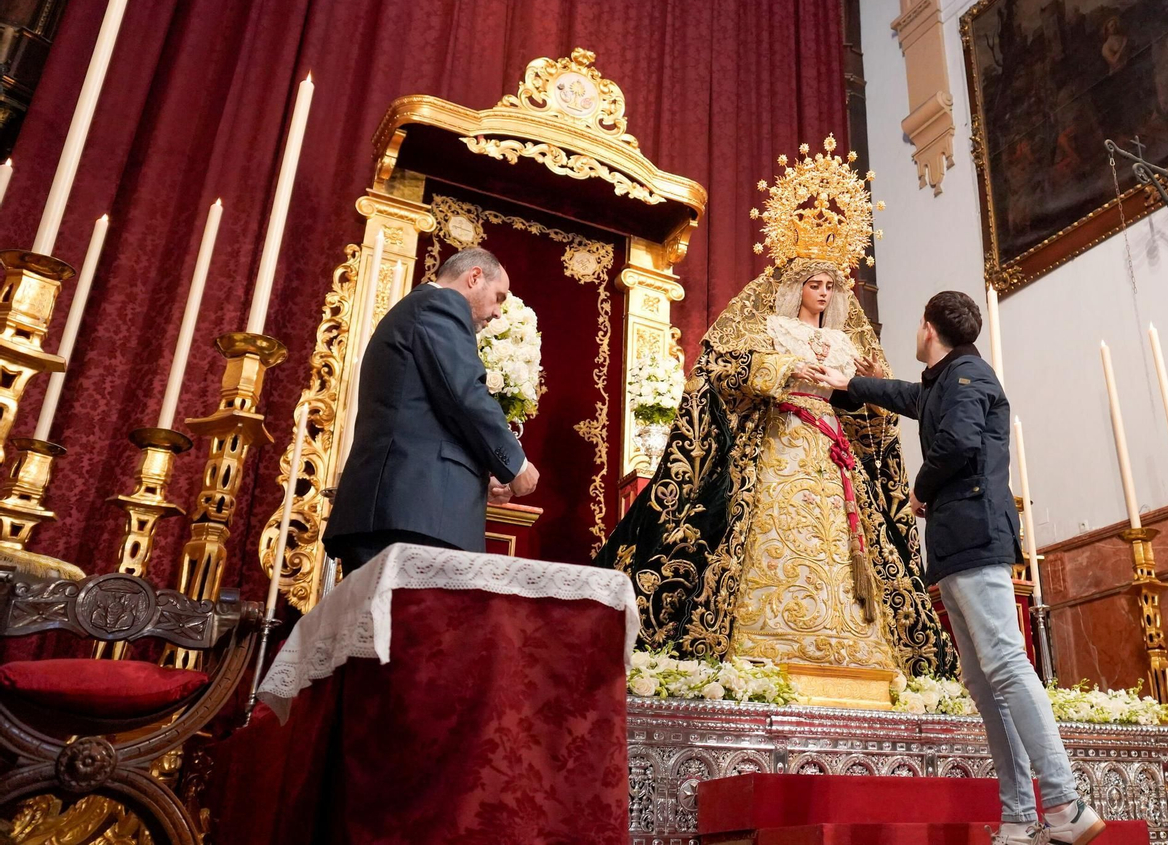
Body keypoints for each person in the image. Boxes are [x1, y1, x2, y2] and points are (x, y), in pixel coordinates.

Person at [803, 291, 1104, 845]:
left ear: (928, 329)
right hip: (958, 541)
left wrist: (919, 489)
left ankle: (1065, 802)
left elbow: (959, 441)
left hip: (975, 534)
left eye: (919, 325)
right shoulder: (948, 380)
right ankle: (1020, 816)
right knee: (984, 682)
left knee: (1007, 666)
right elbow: (911, 397)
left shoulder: (970, 377)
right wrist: (850, 384)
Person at [595, 257, 953, 684]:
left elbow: (871, 418)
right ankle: (761, 644)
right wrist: (783, 367)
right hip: (781, 439)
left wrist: (872, 382)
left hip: (832, 448)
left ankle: (856, 652)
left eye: (830, 286)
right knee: (773, 528)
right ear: (797, 288)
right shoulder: (772, 329)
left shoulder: (844, 342)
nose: (823, 293)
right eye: (815, 285)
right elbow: (720, 369)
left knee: (847, 541)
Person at [324, 247, 539, 571]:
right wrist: (516, 465)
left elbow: (424, 415)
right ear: (475, 277)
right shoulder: (440, 304)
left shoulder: (417, 309)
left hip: (399, 510)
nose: (497, 313)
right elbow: (464, 395)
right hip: (411, 515)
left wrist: (479, 479)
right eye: (498, 297)